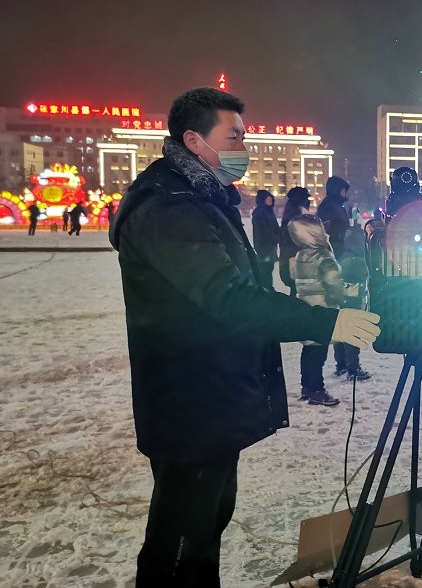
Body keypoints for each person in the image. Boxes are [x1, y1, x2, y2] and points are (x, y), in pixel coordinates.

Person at [108, 87, 381, 585]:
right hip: (188, 399)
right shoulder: (169, 208)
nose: (244, 147)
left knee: (206, 523)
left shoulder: (202, 198)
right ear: (194, 141)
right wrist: (325, 322)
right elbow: (230, 297)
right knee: (179, 542)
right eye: (233, 137)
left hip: (211, 392)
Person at [285, 213, 346, 406]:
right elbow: (333, 282)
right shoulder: (323, 256)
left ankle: (306, 387)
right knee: (318, 354)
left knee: (308, 350)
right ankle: (317, 390)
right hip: (322, 309)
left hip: (306, 308)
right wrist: (338, 298)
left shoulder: (300, 255)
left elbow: (293, 277)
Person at [333, 224, 372, 381]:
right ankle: (353, 368)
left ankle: (341, 364)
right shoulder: (359, 261)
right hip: (352, 302)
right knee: (352, 335)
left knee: (341, 333)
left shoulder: (343, 257)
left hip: (340, 301)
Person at [251, 189, 280, 290]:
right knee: (266, 267)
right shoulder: (259, 213)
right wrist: (276, 238)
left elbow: (275, 227)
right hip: (264, 246)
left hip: (270, 245)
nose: (270, 199)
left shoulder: (269, 212)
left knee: (268, 267)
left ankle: (267, 287)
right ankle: (266, 288)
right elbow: (264, 230)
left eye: (270, 198)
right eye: (268, 198)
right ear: (262, 199)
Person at [316, 175, 350, 259]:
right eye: (343, 191)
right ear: (337, 190)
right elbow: (328, 227)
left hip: (338, 245)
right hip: (333, 248)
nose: (345, 194)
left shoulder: (337, 205)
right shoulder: (328, 206)